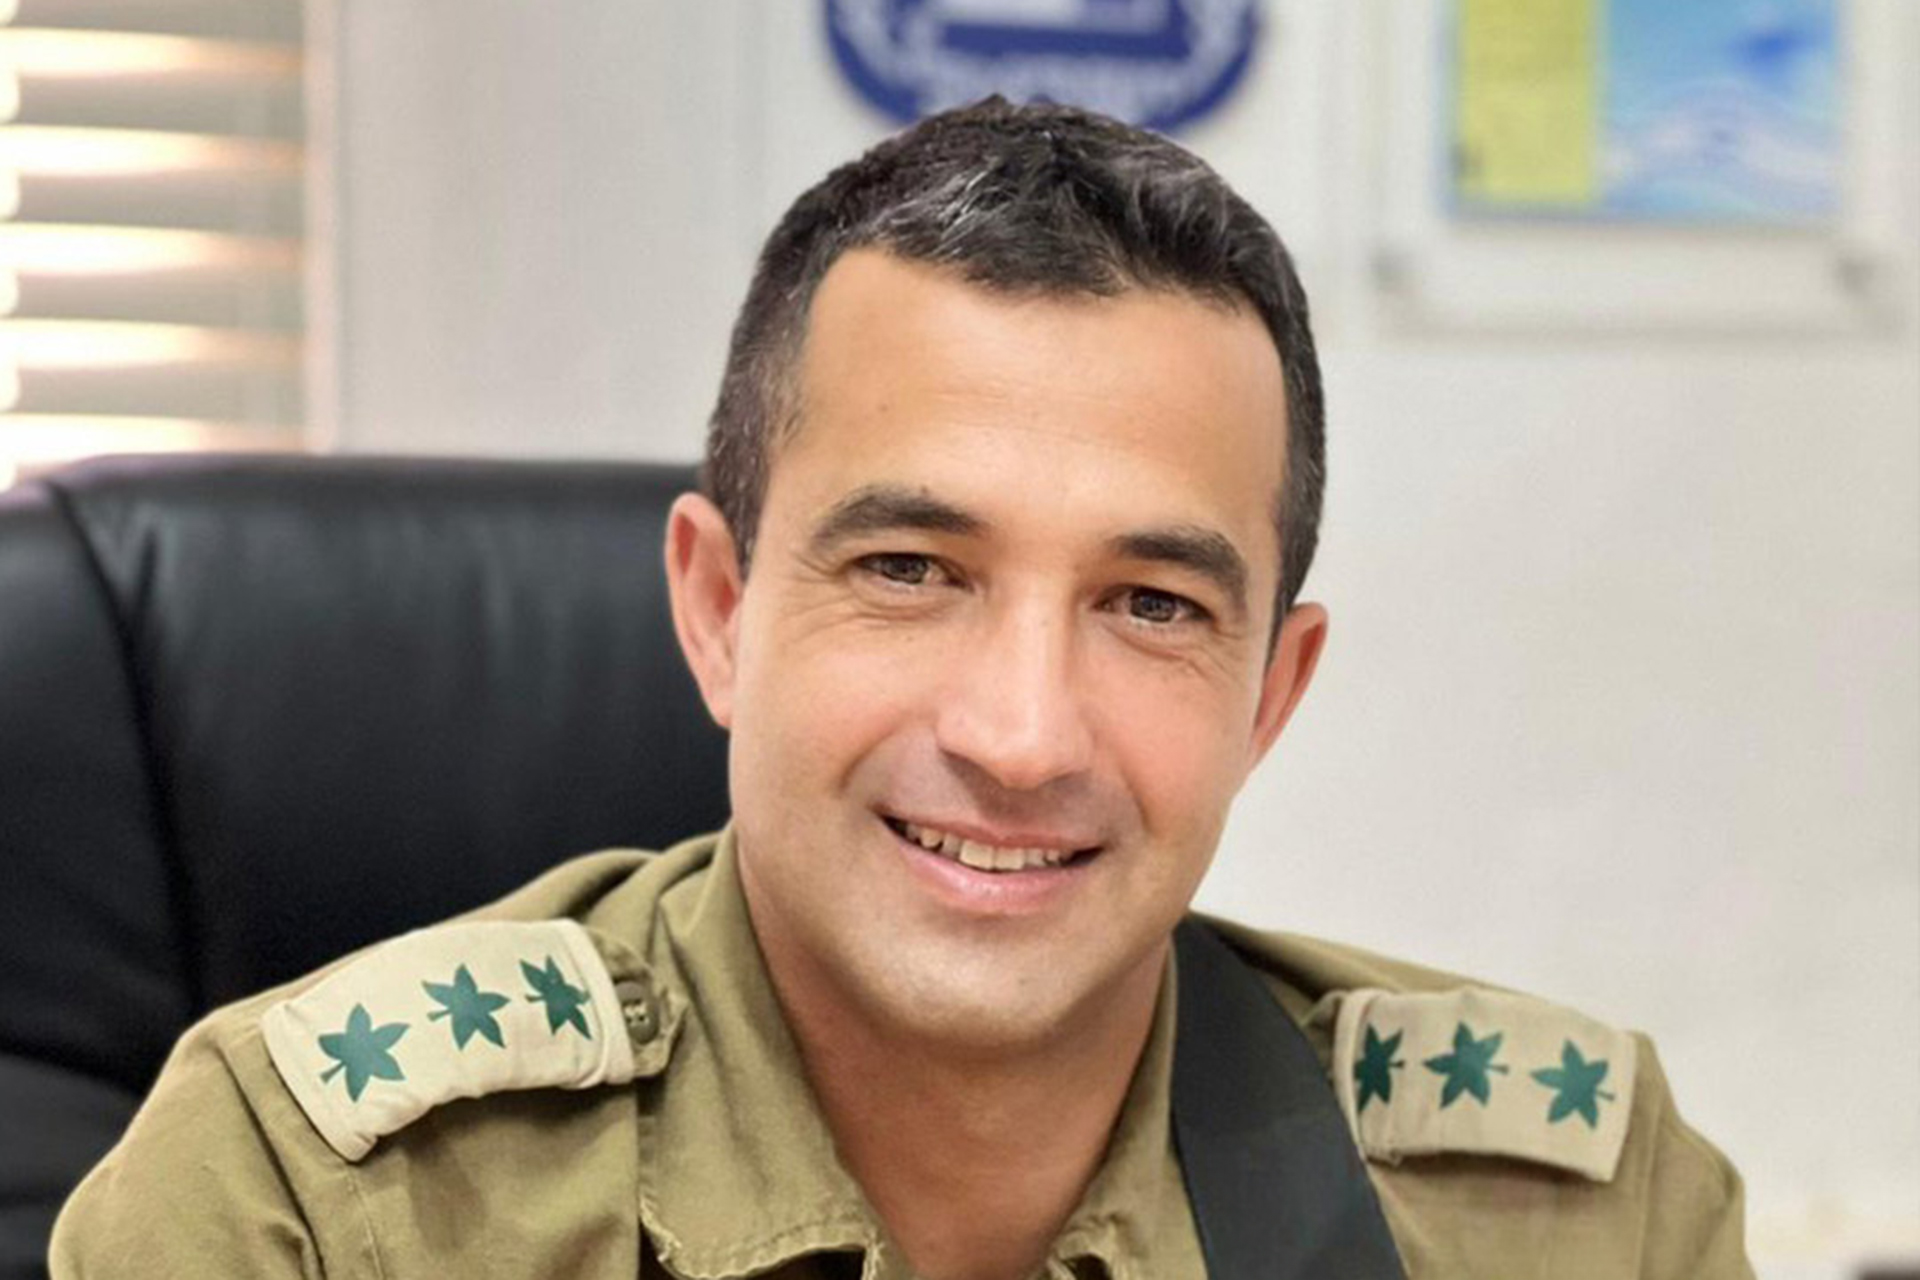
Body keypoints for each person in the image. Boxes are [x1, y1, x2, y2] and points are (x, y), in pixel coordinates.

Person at [49, 99, 1753, 1280]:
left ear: (1269, 697)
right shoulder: (314, 1204)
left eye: (1151, 604)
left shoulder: (1570, 1213)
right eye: (911, 570)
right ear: (719, 610)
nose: (1019, 735)